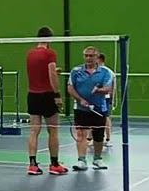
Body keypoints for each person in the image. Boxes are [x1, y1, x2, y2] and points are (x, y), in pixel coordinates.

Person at [25, 26, 68, 175]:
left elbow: (39, 72)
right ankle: (54, 164)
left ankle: (32, 165)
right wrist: (57, 95)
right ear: (50, 39)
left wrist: (54, 70)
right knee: (53, 130)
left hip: (32, 95)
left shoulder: (30, 54)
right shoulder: (50, 53)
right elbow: (51, 74)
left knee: (33, 131)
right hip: (47, 95)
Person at [68, 47, 113, 171]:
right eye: (86, 55)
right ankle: (81, 160)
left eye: (91, 56)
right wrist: (80, 100)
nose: (88, 58)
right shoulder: (76, 71)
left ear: (97, 57)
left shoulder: (105, 72)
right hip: (81, 108)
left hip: (99, 108)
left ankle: (97, 159)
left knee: (98, 135)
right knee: (81, 133)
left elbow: (108, 88)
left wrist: (98, 90)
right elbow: (70, 88)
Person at [97, 52, 115, 150]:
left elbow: (112, 86)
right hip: (95, 98)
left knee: (106, 117)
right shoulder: (94, 70)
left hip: (104, 98)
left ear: (100, 60)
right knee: (94, 117)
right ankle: (92, 138)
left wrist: (111, 99)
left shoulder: (107, 71)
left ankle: (108, 139)